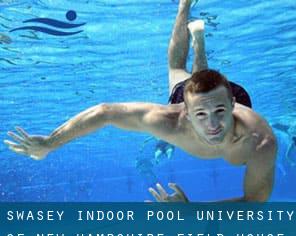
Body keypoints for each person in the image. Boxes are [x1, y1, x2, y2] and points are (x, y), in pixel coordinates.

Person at [4, 0, 277, 202]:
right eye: (201, 115)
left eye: (220, 111)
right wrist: (50, 142)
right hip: (202, 97)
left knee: (187, 75)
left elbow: (255, 202)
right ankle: (185, 6)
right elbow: (105, 112)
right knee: (177, 71)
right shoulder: (170, 120)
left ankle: (199, 43)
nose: (214, 124)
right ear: (184, 110)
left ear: (232, 105)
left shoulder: (260, 140)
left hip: (224, 99)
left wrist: (192, 211)